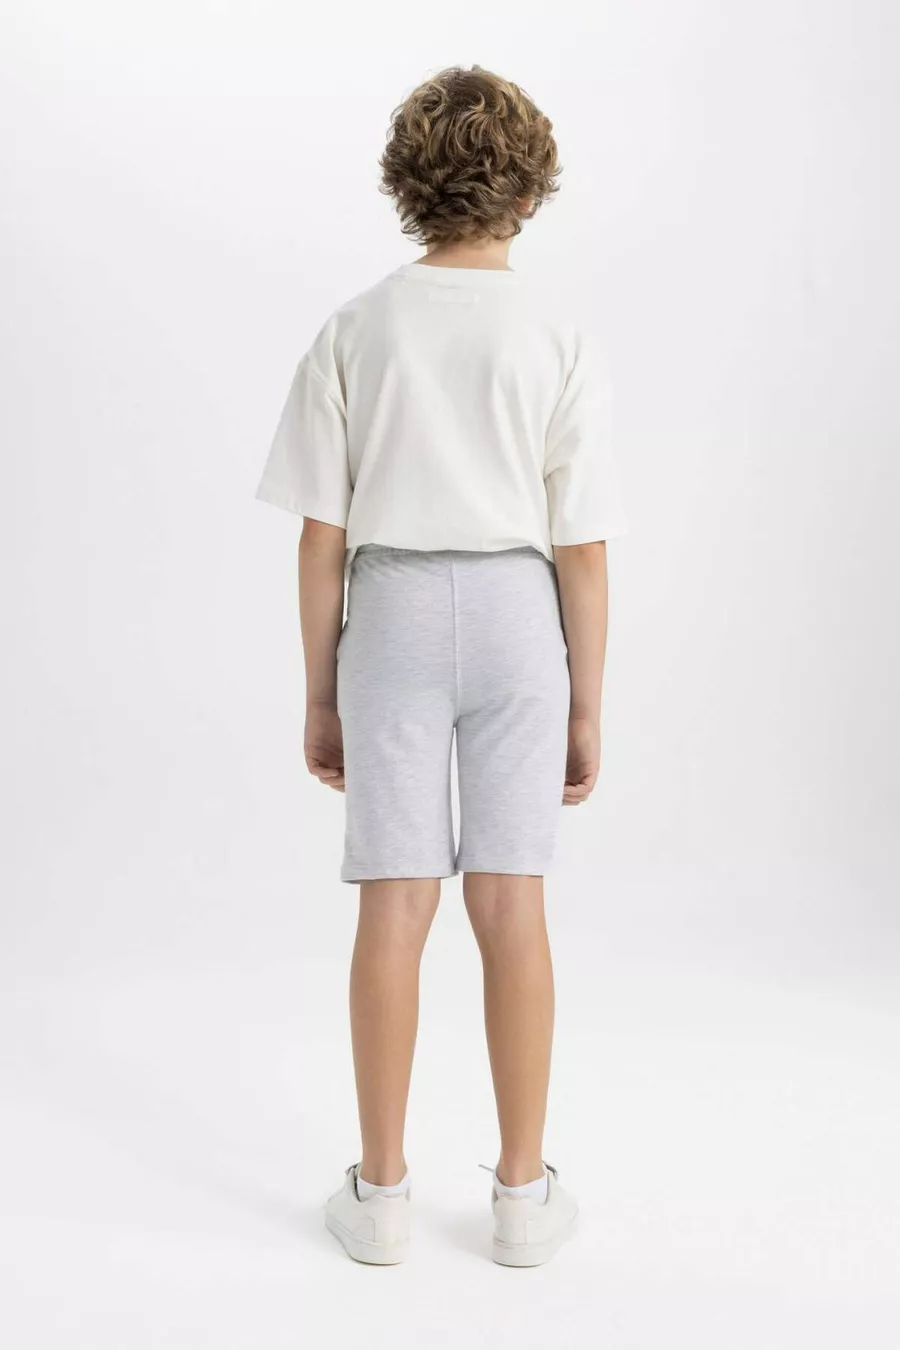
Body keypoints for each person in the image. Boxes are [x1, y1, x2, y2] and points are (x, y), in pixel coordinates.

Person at [256, 65, 627, 1267]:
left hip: (395, 612)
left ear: (408, 185)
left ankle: (381, 1197)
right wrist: (586, 704)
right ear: (529, 189)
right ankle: (522, 1200)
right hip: (521, 614)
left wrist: (321, 693)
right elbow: (583, 547)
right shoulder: (557, 334)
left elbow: (321, 538)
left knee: (395, 901)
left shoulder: (357, 328)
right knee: (512, 903)